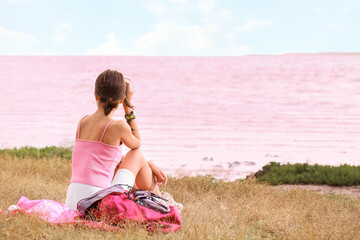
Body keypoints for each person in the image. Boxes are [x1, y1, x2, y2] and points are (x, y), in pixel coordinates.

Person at [65, 69, 167, 211]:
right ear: (121, 99)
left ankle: (155, 201)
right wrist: (128, 109)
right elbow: (137, 144)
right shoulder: (118, 126)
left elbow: (102, 159)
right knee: (136, 154)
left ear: (95, 95)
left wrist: (148, 164)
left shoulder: (82, 122)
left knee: (121, 163)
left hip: (72, 201)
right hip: (95, 203)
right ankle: (161, 205)